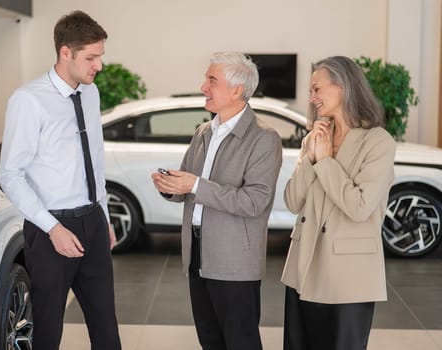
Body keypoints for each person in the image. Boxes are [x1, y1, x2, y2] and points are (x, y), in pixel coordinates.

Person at [0, 10, 121, 350]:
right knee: (47, 331)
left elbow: (94, 160)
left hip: (93, 222)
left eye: (100, 56)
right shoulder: (28, 100)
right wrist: (52, 228)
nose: (98, 65)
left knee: (106, 327)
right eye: (91, 57)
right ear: (65, 52)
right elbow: (10, 173)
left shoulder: (91, 93)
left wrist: (104, 216)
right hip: (51, 229)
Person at [152, 52, 283, 350]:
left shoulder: (264, 138)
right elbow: (189, 185)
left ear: (238, 89)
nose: (203, 87)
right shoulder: (203, 132)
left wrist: (195, 184)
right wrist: (169, 186)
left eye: (212, 80)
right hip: (199, 253)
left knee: (241, 342)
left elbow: (254, 201)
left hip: (235, 260)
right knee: (209, 340)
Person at [281, 56, 396, 350]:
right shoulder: (315, 138)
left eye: (317, 89)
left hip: (348, 278)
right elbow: (293, 201)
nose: (312, 98)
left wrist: (326, 161)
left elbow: (359, 206)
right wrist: (311, 156)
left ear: (343, 86)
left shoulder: (378, 142)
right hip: (303, 270)